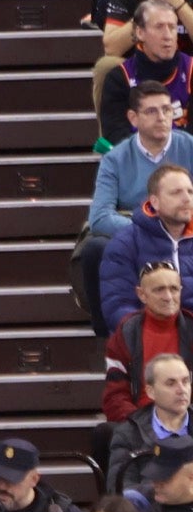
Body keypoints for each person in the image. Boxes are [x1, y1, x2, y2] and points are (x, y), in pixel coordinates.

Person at [83, 85, 193, 334]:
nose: (162, 118)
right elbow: (99, 217)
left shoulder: (190, 147)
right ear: (134, 118)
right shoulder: (115, 158)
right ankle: (109, 338)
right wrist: (149, 228)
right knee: (94, 249)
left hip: (185, 231)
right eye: (152, 111)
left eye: (167, 110)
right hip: (135, 235)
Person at [101, 166, 193, 331]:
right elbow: (117, 305)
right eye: (176, 193)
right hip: (150, 340)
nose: (186, 199)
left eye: (190, 192)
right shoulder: (125, 243)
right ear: (154, 202)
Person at [98, 2, 193, 148]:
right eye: (159, 27)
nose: (167, 35)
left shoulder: (191, 69)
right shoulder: (119, 77)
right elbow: (116, 136)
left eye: (172, 27)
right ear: (140, 32)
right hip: (137, 163)